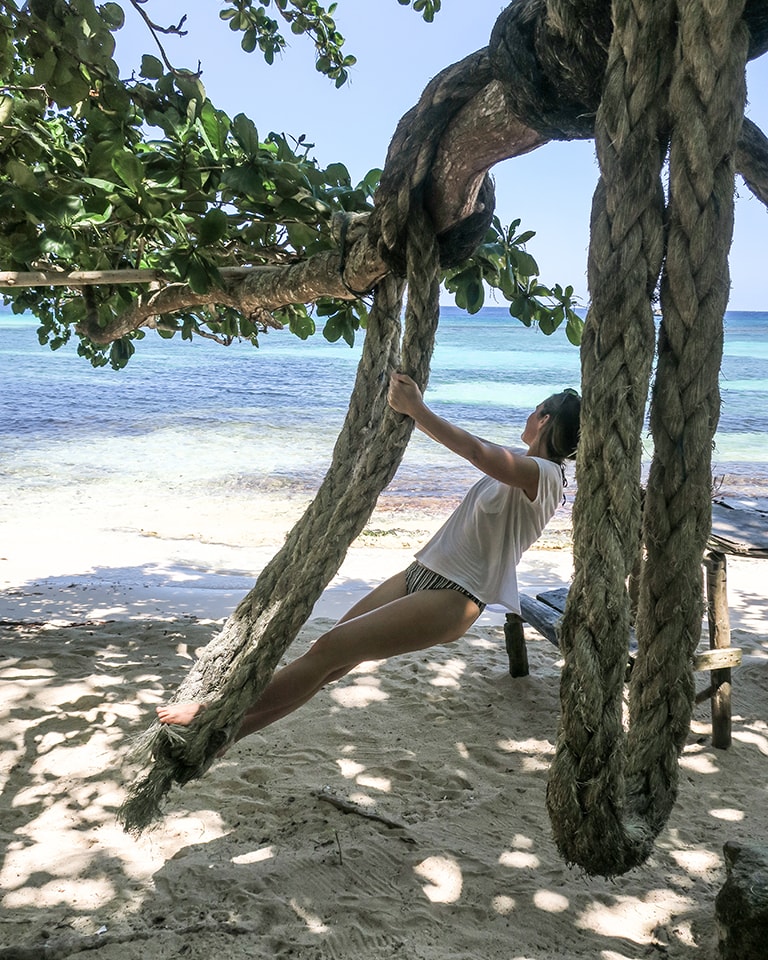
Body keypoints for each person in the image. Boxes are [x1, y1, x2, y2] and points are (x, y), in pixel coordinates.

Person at [156, 372, 580, 742]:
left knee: (327, 649)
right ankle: (231, 735)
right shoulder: (526, 465)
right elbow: (482, 448)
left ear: (543, 419)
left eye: (534, 410)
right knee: (330, 663)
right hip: (421, 574)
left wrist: (417, 409)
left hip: (455, 597)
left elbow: (475, 451)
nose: (527, 416)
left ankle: (212, 712)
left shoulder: (544, 476)